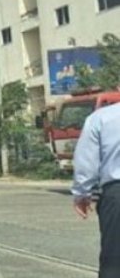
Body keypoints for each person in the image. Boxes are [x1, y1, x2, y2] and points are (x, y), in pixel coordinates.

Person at [71, 103, 120, 278]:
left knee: (115, 262)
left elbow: (86, 161)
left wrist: (82, 193)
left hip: (117, 197)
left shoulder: (101, 118)